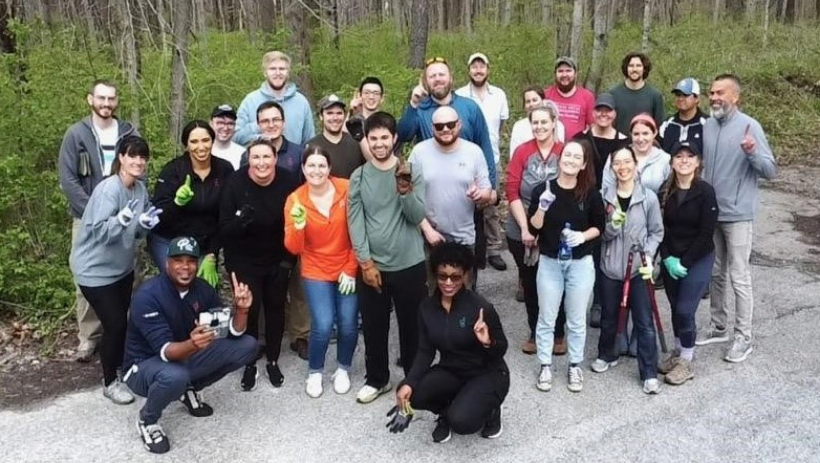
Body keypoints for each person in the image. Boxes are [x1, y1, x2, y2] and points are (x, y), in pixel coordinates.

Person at [122, 236, 257, 454]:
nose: (185, 267)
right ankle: (148, 421)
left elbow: (230, 332)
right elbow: (166, 352)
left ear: (198, 264)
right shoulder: (148, 296)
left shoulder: (203, 289)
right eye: (178, 260)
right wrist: (194, 344)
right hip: (143, 365)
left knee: (248, 346)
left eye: (191, 261)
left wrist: (241, 310)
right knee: (175, 376)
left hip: (183, 351)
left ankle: (188, 390)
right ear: (167, 263)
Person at [70, 135, 159, 405]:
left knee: (122, 321)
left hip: (121, 268)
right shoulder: (109, 189)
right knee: (116, 323)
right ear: (121, 158)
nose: (138, 162)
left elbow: (135, 236)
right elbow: (97, 232)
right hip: (94, 270)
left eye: (143, 157)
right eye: (132, 156)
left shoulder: (140, 190)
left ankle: (121, 367)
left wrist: (145, 224)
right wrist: (119, 221)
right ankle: (109, 381)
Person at [347, 112, 427, 404]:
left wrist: (405, 191)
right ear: (367, 141)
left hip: (410, 263)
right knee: (374, 325)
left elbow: (418, 216)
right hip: (374, 267)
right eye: (373, 138)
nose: (379, 143)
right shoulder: (359, 176)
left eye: (384, 137)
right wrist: (365, 263)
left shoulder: (411, 171)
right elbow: (355, 221)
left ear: (394, 139)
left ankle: (413, 378)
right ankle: (377, 378)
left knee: (411, 326)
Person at [696, 74, 777, 363]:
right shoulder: (708, 126)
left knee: (739, 275)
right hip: (713, 213)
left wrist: (752, 152)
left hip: (739, 214)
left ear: (735, 97)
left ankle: (744, 337)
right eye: (711, 92)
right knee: (716, 272)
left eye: (720, 92)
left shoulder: (749, 126)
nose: (714, 97)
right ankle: (719, 325)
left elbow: (770, 170)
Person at [58, 79, 140, 362]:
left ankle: (118, 332)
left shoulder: (128, 131)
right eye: (101, 98)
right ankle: (88, 338)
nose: (106, 104)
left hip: (124, 216)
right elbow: (68, 180)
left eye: (111, 99)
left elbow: (139, 168)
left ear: (117, 102)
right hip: (86, 218)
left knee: (122, 273)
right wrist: (93, 212)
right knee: (87, 277)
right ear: (90, 99)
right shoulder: (76, 134)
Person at [395, 243, 508, 443]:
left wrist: (488, 341)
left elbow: (501, 350)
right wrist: (408, 383)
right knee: (413, 392)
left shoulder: (481, 307)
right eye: (442, 276)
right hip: (452, 370)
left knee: (463, 422)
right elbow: (424, 350)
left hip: (487, 372)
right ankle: (446, 412)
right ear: (435, 275)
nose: (448, 282)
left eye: (455, 277)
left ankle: (491, 411)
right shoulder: (427, 307)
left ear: (465, 275)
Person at [397, 57, 496, 271]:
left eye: (441, 74)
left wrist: (491, 190)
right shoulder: (421, 109)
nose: (437, 79)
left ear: (451, 78)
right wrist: (413, 104)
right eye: (432, 76)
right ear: (426, 81)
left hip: (467, 195)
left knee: (470, 266)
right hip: (432, 195)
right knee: (434, 273)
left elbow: (485, 148)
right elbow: (402, 135)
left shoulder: (469, 107)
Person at [220, 139, 300, 391]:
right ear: (248, 160)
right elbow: (224, 229)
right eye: (256, 157)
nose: (261, 163)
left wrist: (288, 262)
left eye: (266, 157)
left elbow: (296, 225)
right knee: (250, 311)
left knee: (276, 308)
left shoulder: (288, 182)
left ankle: (273, 360)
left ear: (275, 158)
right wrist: (240, 221)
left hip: (278, 256)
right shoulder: (235, 183)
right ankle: (249, 362)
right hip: (244, 259)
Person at [528, 140, 604, 393]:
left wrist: (582, 236)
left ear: (583, 164)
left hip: (580, 263)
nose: (571, 160)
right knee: (547, 317)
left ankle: (574, 364)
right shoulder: (543, 189)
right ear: (560, 160)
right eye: (567, 155)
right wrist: (542, 208)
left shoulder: (591, 193)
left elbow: (599, 226)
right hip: (550, 262)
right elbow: (534, 227)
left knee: (576, 319)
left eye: (576, 157)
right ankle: (545, 365)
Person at [284, 146, 359, 398]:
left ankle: (343, 369)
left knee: (348, 324)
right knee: (324, 324)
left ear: (329, 168)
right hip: (316, 268)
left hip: (347, 264)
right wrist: (298, 226)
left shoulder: (347, 189)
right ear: (303, 169)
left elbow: (359, 232)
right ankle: (315, 371)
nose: (316, 171)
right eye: (311, 166)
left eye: (321, 165)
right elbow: (294, 248)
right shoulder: (295, 199)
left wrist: (351, 268)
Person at [591, 146, 665, 394]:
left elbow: (657, 232)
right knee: (609, 315)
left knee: (644, 321)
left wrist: (648, 256)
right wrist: (612, 225)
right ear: (611, 168)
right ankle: (606, 354)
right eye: (617, 163)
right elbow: (600, 234)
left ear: (635, 165)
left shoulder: (648, 197)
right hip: (611, 266)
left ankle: (649, 373)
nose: (623, 167)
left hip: (638, 268)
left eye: (627, 162)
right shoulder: (603, 197)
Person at [240, 101, 310, 361]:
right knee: (262, 290)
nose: (270, 124)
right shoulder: (250, 153)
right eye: (265, 120)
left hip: (294, 227)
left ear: (283, 122)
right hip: (261, 233)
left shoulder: (298, 152)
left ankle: (300, 335)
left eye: (275, 120)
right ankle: (259, 339)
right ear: (258, 124)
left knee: (298, 286)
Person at [408, 106, 491, 291]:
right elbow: (408, 196)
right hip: (430, 236)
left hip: (464, 236)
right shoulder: (419, 152)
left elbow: (487, 191)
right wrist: (427, 229)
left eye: (450, 124)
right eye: (439, 126)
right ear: (432, 128)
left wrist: (480, 195)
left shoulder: (474, 152)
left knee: (465, 293)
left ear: (459, 125)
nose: (445, 129)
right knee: (432, 293)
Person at [505, 102, 563, 355]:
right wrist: (525, 229)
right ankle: (535, 330)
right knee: (530, 281)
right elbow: (511, 190)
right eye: (535, 122)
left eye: (544, 121)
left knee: (554, 280)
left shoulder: (565, 151)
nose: (539, 126)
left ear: (554, 123)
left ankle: (558, 332)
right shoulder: (522, 152)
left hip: (556, 225)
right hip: (522, 222)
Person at [658, 142, 718, 385]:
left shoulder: (705, 191)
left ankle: (687, 360)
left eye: (689, 156)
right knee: (674, 307)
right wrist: (666, 256)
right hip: (671, 257)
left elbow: (706, 232)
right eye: (678, 156)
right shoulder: (665, 191)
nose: (683, 160)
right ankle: (677, 350)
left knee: (685, 309)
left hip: (698, 257)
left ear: (697, 162)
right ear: (672, 162)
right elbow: (658, 227)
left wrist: (685, 261)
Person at [150, 121, 234, 286]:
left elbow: (225, 216)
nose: (201, 147)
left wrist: (212, 254)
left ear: (212, 140)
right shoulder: (172, 171)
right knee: (178, 287)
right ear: (186, 145)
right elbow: (157, 217)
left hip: (205, 242)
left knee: (204, 290)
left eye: (205, 140)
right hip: (170, 240)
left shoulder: (224, 169)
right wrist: (177, 203)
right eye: (194, 142)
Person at [575, 92, 629, 328]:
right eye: (599, 110)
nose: (603, 114)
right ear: (593, 112)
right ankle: (589, 303)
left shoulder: (624, 142)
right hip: (586, 202)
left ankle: (609, 302)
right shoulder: (580, 138)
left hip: (615, 202)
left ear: (615, 113)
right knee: (590, 254)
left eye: (608, 110)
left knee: (612, 252)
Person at [455, 52, 510, 271]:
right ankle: (469, 249)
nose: (478, 70)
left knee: (490, 206)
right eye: (474, 66)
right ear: (468, 70)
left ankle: (494, 250)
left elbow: (501, 126)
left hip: (491, 157)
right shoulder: (459, 95)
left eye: (482, 66)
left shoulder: (499, 95)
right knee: (465, 203)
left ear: (488, 69)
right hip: (463, 158)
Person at [234, 50, 315, 146]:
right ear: (265, 73)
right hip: (260, 160)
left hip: (293, 160)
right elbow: (236, 137)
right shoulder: (250, 101)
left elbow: (309, 141)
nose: (277, 73)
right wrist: (260, 127)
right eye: (272, 69)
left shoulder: (301, 102)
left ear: (288, 73)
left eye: (282, 69)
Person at [603, 113, 671, 195]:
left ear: (654, 133)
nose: (640, 139)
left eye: (645, 133)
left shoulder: (665, 159)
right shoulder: (617, 156)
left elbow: (668, 192)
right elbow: (607, 189)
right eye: (636, 134)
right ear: (631, 134)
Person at [306, 95, 366, 179]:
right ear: (321, 116)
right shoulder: (311, 146)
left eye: (339, 113)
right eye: (330, 113)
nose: (335, 118)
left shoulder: (356, 143)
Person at [608, 52, 665, 134]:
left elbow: (659, 127)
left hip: (645, 144)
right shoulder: (613, 94)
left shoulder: (655, 96)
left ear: (644, 69)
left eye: (638, 66)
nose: (634, 69)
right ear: (626, 68)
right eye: (631, 66)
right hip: (618, 144)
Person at [544, 56, 595, 140]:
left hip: (576, 148)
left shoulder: (587, 97)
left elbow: (592, 126)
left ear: (575, 73)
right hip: (551, 146)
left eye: (568, 71)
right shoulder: (546, 95)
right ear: (555, 74)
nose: (564, 75)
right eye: (560, 71)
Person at [510, 87, 566, 158]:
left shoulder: (557, 125)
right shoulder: (519, 126)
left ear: (543, 101)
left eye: (534, 100)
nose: (531, 104)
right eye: (528, 101)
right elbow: (514, 154)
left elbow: (560, 151)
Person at [659, 78, 708, 154]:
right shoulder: (667, 124)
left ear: (697, 98)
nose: (681, 99)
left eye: (685, 95)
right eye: (678, 95)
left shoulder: (707, 124)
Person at [347, 76, 386, 160]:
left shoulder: (387, 123)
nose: (371, 97)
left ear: (382, 98)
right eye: (367, 93)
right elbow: (340, 135)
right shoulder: (354, 121)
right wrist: (351, 111)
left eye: (376, 93)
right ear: (359, 95)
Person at [209, 104, 245, 170]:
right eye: (220, 123)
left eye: (230, 124)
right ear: (211, 124)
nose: (225, 128)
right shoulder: (203, 152)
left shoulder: (243, 154)